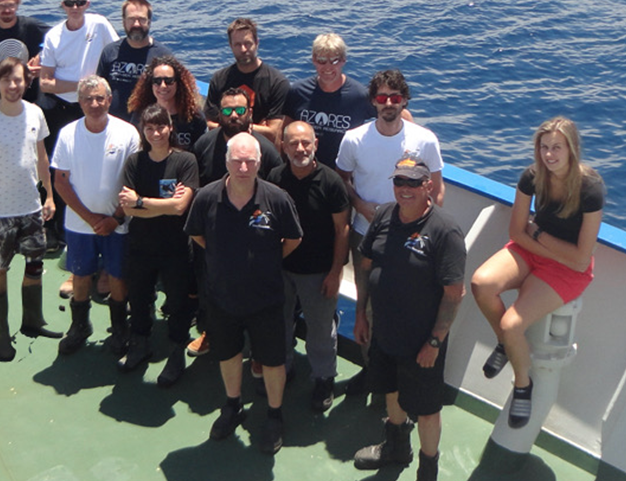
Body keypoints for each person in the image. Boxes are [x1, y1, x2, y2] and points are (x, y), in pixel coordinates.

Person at [470, 117, 605, 428]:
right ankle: (505, 343)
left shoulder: (590, 189)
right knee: (481, 283)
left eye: (557, 147)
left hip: (568, 270)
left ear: (572, 149)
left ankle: (522, 384)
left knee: (512, 323)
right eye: (544, 147)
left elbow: (582, 260)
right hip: (534, 250)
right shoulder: (532, 177)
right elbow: (517, 231)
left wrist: (540, 237)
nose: (549, 155)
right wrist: (539, 243)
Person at [185, 133, 302, 454]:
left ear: (259, 163)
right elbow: (196, 233)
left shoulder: (276, 199)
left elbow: (292, 239)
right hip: (222, 298)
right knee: (229, 354)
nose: (243, 166)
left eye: (250, 160)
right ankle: (233, 405)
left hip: (266, 299)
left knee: (273, 361)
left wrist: (266, 259)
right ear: (226, 162)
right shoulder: (207, 198)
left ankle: (275, 415)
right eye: (237, 160)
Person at [352, 156, 466, 481]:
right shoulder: (385, 215)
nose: (405, 189)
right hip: (384, 330)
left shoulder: (445, 231)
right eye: (399, 182)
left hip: (422, 341)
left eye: (413, 182)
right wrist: (361, 315)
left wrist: (434, 342)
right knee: (391, 391)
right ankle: (396, 447)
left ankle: (427, 469)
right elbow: (365, 265)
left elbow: (454, 294)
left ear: (428, 185)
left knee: (427, 410)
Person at [335, 69, 444, 393]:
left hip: (410, 240)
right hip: (365, 233)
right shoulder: (354, 139)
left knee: (406, 309)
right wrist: (360, 204)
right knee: (367, 308)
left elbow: (436, 190)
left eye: (395, 98)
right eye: (382, 98)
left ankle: (402, 382)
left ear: (404, 100)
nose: (388, 104)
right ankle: (375, 374)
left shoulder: (423, 139)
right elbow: (342, 178)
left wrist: (425, 229)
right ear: (373, 101)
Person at [0, 58, 61, 362]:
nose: (13, 86)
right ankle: (3, 331)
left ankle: (33, 321)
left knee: (34, 267)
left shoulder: (36, 113)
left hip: (30, 208)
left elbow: (42, 158)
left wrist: (50, 197)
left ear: (26, 82)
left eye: (18, 80)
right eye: (6, 80)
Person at [50, 76, 140, 356]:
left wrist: (114, 218)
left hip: (118, 223)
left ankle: (119, 326)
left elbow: (135, 180)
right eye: (88, 98)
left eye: (100, 98)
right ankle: (80, 326)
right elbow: (61, 182)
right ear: (80, 102)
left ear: (110, 100)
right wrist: (90, 218)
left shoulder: (128, 133)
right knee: (80, 274)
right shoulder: (67, 134)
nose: (95, 103)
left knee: (117, 275)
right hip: (80, 224)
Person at [266, 121, 351, 413]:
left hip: (318, 271)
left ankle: (323, 378)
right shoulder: (275, 177)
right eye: (293, 143)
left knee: (320, 329)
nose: (300, 149)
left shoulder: (331, 182)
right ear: (283, 147)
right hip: (281, 268)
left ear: (315, 144)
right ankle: (284, 368)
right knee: (280, 322)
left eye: (306, 143)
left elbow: (342, 229)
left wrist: (336, 272)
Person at [115, 104, 199, 383]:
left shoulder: (185, 162)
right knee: (138, 298)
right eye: (149, 128)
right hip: (141, 246)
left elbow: (180, 207)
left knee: (177, 302)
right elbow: (126, 209)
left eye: (160, 127)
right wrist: (161, 204)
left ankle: (176, 352)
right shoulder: (135, 163)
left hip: (175, 247)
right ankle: (140, 344)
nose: (155, 133)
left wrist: (142, 202)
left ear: (170, 127)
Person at [39, 0, 120, 259]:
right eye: (69, 3)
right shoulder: (53, 36)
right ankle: (58, 229)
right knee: (60, 170)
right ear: (62, 6)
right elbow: (46, 83)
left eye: (80, 3)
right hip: (65, 110)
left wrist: (96, 94)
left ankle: (104, 224)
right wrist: (81, 87)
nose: (75, 8)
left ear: (87, 4)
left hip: (97, 106)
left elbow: (116, 55)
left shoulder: (99, 25)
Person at [284, 32, 411, 168]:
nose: (328, 67)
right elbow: (284, 132)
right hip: (304, 170)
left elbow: (401, 114)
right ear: (314, 60)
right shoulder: (298, 91)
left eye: (334, 60)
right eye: (322, 60)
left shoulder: (359, 95)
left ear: (343, 60)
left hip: (344, 174)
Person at [202, 18, 290, 144]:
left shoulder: (277, 82)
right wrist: (256, 127)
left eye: (248, 43)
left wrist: (229, 125)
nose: (243, 49)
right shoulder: (219, 79)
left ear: (257, 43)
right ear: (231, 46)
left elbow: (273, 133)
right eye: (237, 44)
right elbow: (209, 125)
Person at [96, 0, 172, 120]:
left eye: (141, 19)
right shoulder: (110, 52)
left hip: (149, 129)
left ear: (149, 21)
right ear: (123, 21)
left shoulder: (162, 56)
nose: (136, 24)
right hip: (113, 126)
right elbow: (99, 90)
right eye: (131, 19)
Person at [193, 88, 284, 186]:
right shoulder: (203, 146)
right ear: (219, 114)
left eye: (240, 110)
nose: (234, 115)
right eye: (227, 111)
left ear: (249, 113)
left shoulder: (268, 152)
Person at [125, 55, 207, 151]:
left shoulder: (194, 116)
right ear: (150, 84)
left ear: (178, 83)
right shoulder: (140, 115)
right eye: (157, 81)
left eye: (169, 81)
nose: (163, 86)